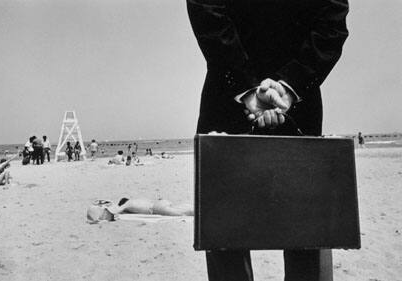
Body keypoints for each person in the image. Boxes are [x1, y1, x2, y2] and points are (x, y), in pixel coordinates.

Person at [187, 1, 349, 280]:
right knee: (302, 234)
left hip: (229, 96)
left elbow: (208, 12)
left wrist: (249, 87)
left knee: (232, 236)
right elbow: (331, 22)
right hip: (290, 101)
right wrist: (290, 87)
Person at [87, 198, 194, 223]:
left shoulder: (128, 204)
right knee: (189, 209)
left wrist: (103, 215)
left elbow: (117, 210)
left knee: (184, 213)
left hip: (157, 208)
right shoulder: (136, 200)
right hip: (159, 203)